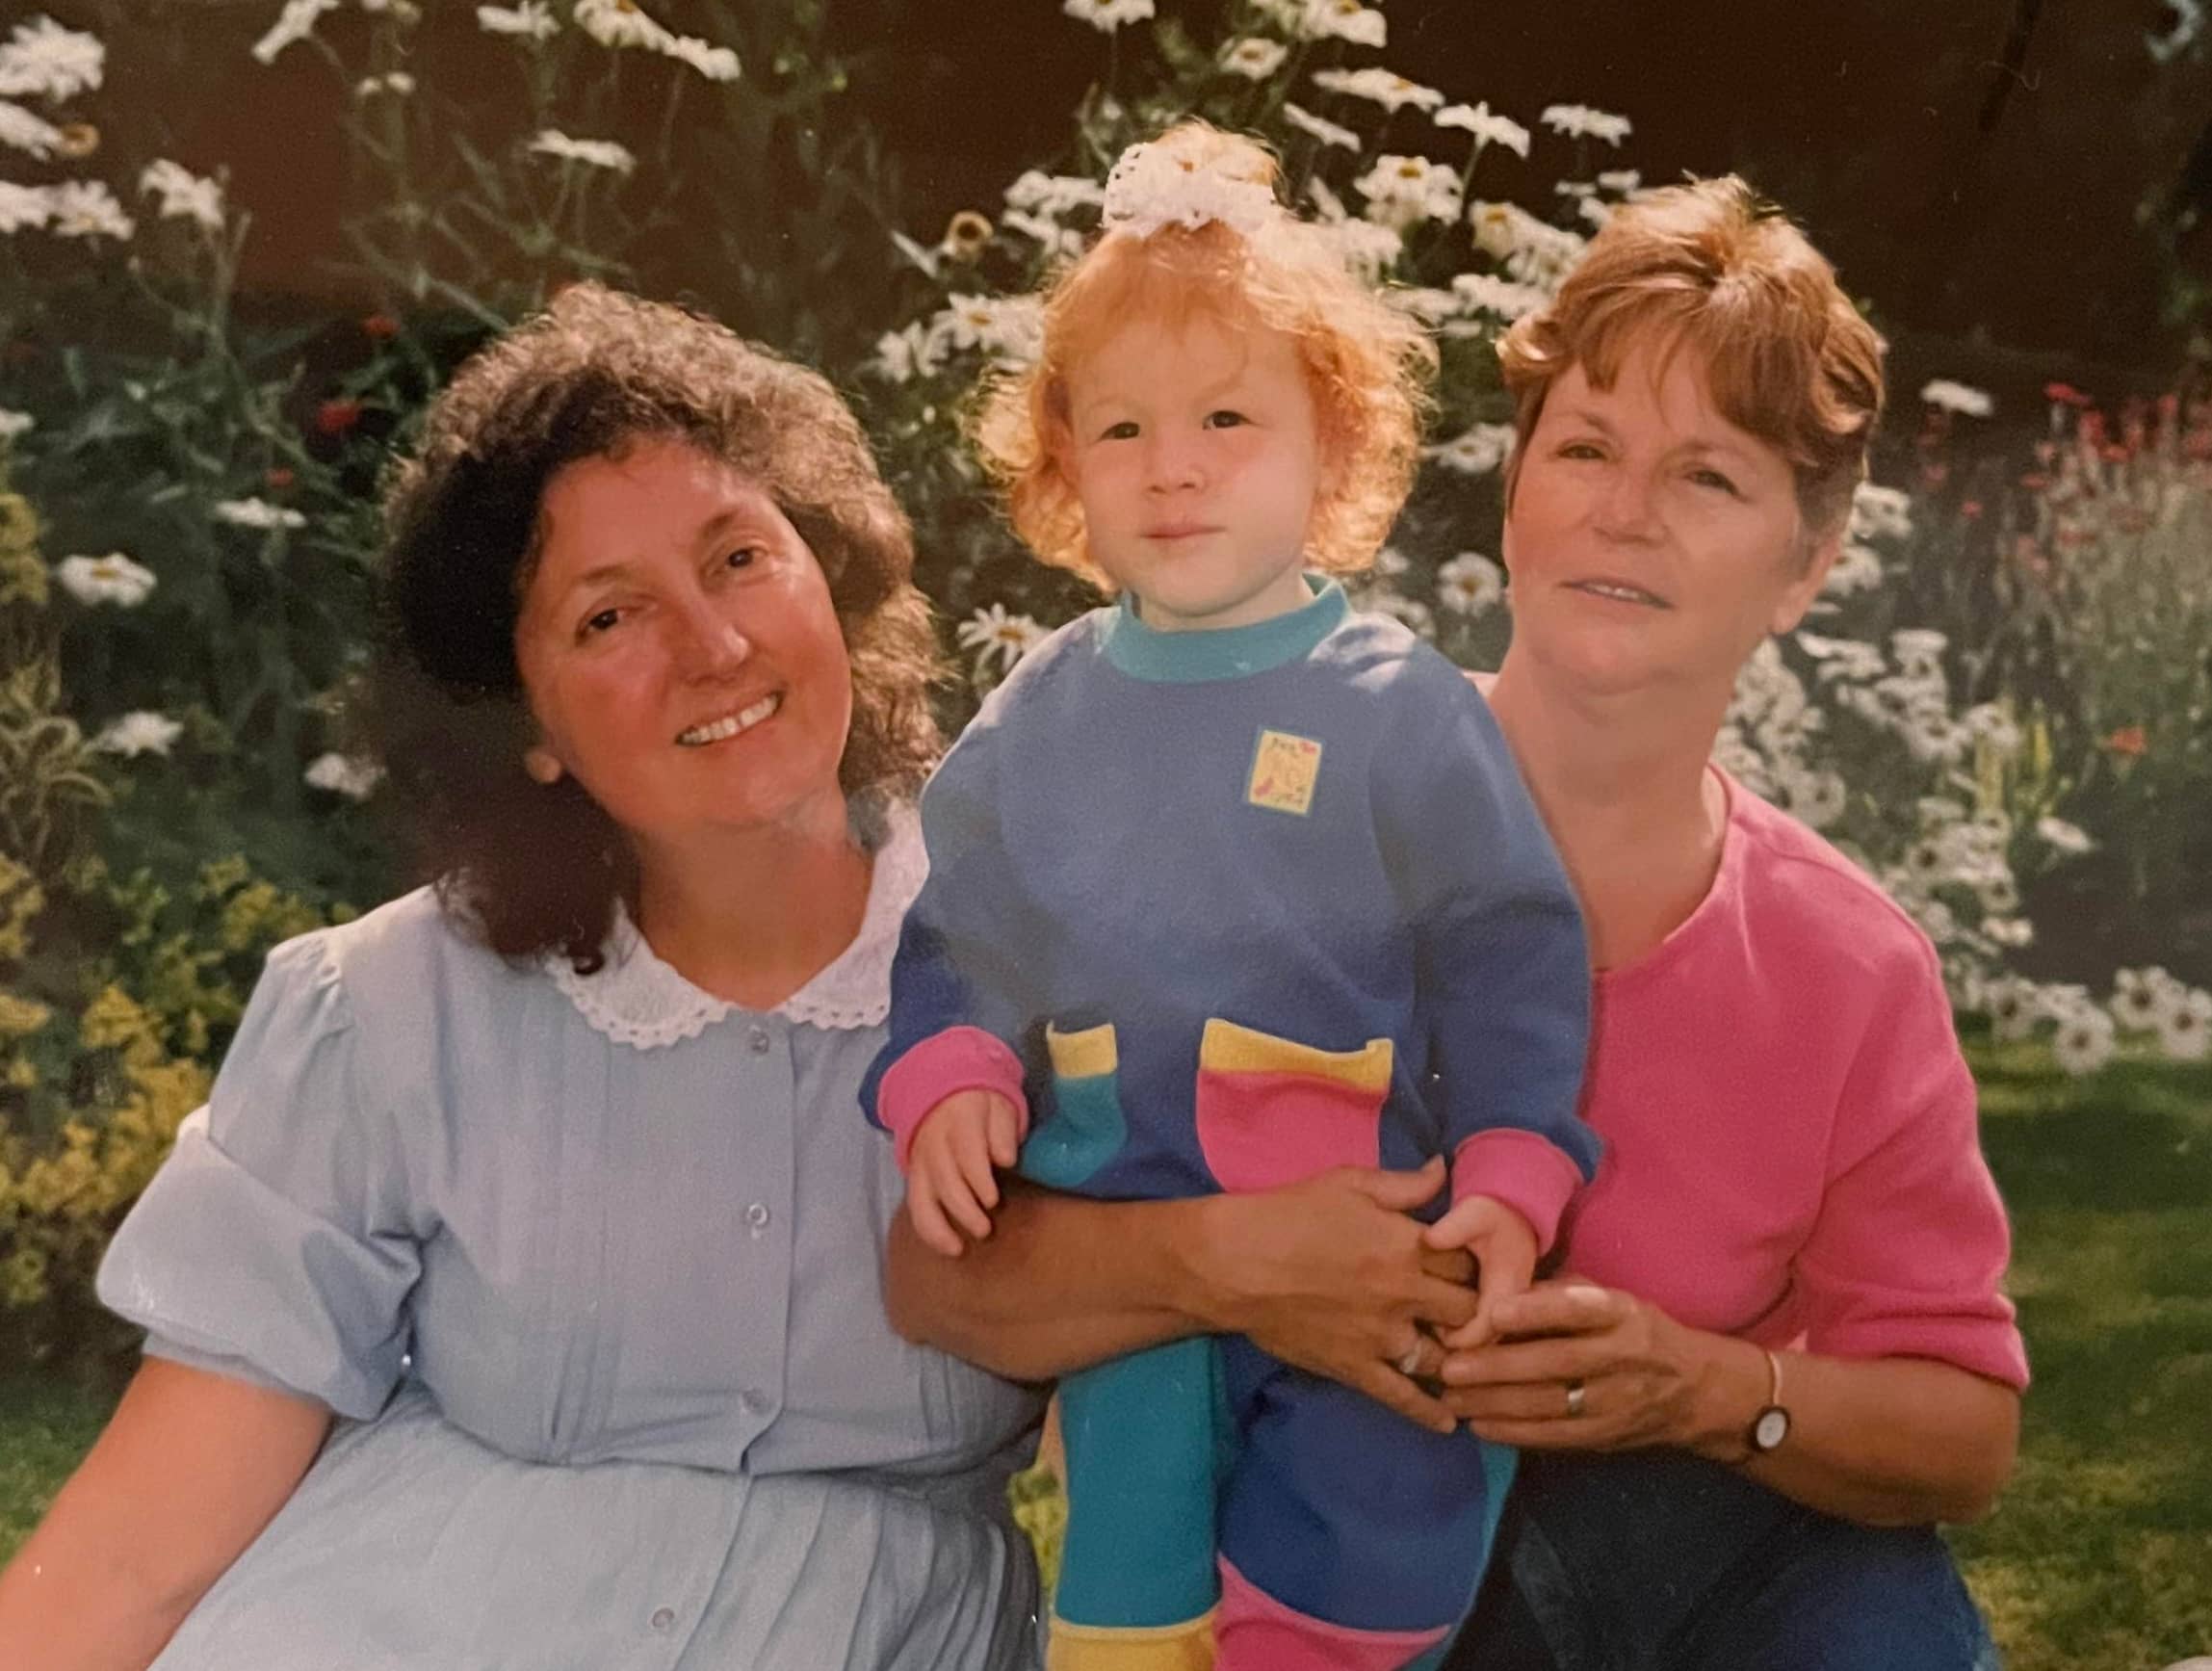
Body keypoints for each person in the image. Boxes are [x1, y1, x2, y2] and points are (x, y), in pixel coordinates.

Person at [883, 177, 2026, 1671]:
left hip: (1722, 1547)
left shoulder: (1845, 966)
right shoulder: (1237, 794)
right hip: (1351, 1550)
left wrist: (1704, 1387)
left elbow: (1960, 1435)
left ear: (1803, 565)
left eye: (1706, 477)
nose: (1622, 511)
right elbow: (937, 1276)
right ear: (1514, 493)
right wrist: (1225, 1262)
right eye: (1585, 449)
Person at [0, 283, 1044, 1671]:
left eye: (740, 557)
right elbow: (140, 1544)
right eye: (610, 618)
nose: (714, 647)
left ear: (831, 579)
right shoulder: (385, 1015)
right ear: (526, 725)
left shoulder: (1037, 966)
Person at [860, 123, 1598, 1671]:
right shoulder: (1043, 712)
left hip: (1358, 1238)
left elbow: (1509, 956)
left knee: (1366, 1576)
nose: (1172, 464)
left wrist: (1515, 1159)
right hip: (1129, 1249)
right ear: (1062, 461)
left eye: (1224, 419)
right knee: (1126, 1599)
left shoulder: (1395, 705)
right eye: (1120, 428)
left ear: (1332, 441)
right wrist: (954, 1072)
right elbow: (964, 931)